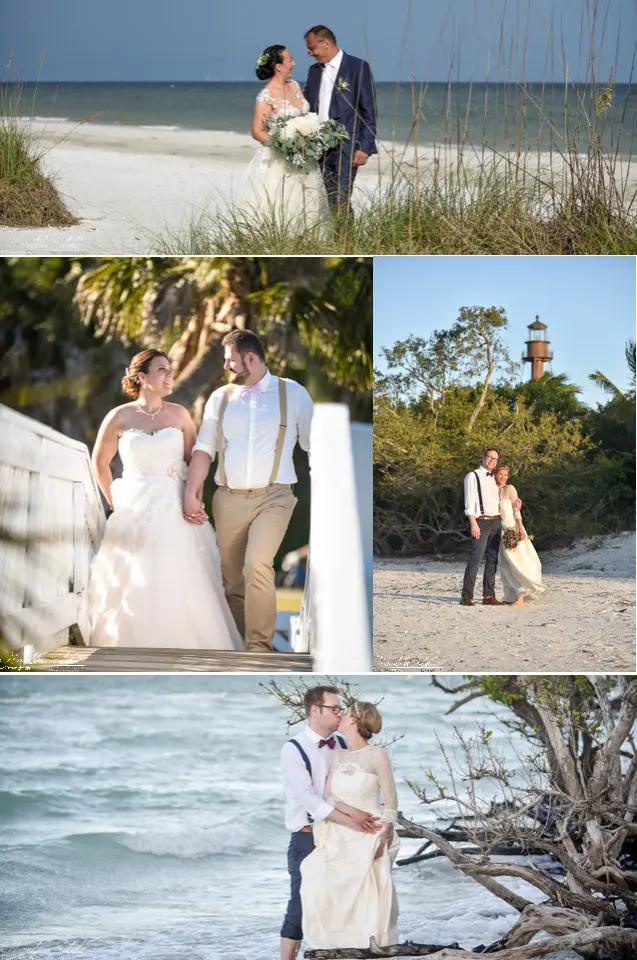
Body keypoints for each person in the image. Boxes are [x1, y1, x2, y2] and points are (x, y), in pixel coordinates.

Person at [88, 349, 243, 649]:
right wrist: (113, 501)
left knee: (179, 574)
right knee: (134, 573)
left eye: (170, 370)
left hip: (174, 506)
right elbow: (100, 462)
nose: (169, 375)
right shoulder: (119, 416)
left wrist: (193, 499)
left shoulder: (180, 414)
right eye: (162, 369)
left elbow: (195, 461)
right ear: (141, 376)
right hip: (133, 506)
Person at [183, 329, 313, 652]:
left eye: (230, 360)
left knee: (257, 563)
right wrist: (191, 492)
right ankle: (239, 646)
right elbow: (204, 449)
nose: (226, 366)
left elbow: (315, 447)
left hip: (275, 497)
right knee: (232, 581)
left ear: (250, 358)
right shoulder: (220, 398)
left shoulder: (294, 394)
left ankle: (259, 649)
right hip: (228, 499)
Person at [280, 686, 382, 960]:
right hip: (308, 836)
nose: (339, 714)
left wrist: (378, 823)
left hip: (342, 837)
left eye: (340, 709)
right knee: (301, 904)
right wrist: (353, 820)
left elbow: (365, 784)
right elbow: (311, 801)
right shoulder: (293, 749)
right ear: (315, 710)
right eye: (334, 709)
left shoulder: (344, 743)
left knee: (342, 904)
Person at [300, 700, 399, 950]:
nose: (340, 716)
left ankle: (367, 947)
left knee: (367, 896)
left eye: (344, 713)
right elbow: (329, 795)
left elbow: (390, 799)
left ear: (354, 720)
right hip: (338, 830)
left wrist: (385, 833)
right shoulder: (338, 755)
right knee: (316, 885)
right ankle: (333, 948)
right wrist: (353, 813)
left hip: (370, 832)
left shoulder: (377, 755)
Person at [240, 44, 326, 228]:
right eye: (290, 60)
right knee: (284, 207)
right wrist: (285, 145)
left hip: (305, 157)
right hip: (279, 160)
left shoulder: (294, 86)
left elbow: (304, 117)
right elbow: (257, 131)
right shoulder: (266, 96)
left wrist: (310, 135)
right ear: (278, 66)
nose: (294, 64)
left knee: (309, 206)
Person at [304, 25, 377, 213]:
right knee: (331, 197)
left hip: (348, 144)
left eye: (312, 48)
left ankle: (345, 232)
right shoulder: (314, 71)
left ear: (326, 43)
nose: (309, 53)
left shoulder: (358, 67)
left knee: (341, 197)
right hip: (319, 144)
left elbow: (369, 110)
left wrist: (365, 147)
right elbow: (307, 104)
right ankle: (343, 232)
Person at [494, 465, 547, 605]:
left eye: (505, 474)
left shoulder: (510, 488)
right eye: (500, 474)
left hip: (512, 530)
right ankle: (510, 596)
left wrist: (521, 529)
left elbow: (516, 510)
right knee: (505, 564)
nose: (503, 477)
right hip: (499, 530)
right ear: (495, 474)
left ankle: (521, 596)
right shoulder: (492, 489)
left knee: (517, 561)